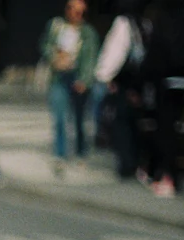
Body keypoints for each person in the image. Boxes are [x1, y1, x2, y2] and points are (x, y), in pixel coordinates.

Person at [137, 0, 184, 197]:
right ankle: (163, 174)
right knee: (171, 131)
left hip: (165, 84)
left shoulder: (162, 25)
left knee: (165, 133)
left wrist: (140, 81)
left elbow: (152, 61)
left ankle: (167, 177)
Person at [39, 0, 101, 175]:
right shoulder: (56, 26)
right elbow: (45, 45)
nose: (76, 14)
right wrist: (54, 56)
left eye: (81, 12)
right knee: (59, 117)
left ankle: (81, 153)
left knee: (79, 119)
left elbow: (90, 58)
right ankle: (60, 153)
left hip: (77, 75)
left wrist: (85, 80)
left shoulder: (88, 32)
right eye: (74, 10)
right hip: (59, 76)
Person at [93, 0, 148, 179]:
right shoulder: (144, 24)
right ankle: (133, 162)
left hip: (122, 82)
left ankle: (125, 165)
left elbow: (115, 52)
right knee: (132, 124)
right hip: (138, 82)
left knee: (120, 124)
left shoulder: (123, 23)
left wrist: (105, 76)